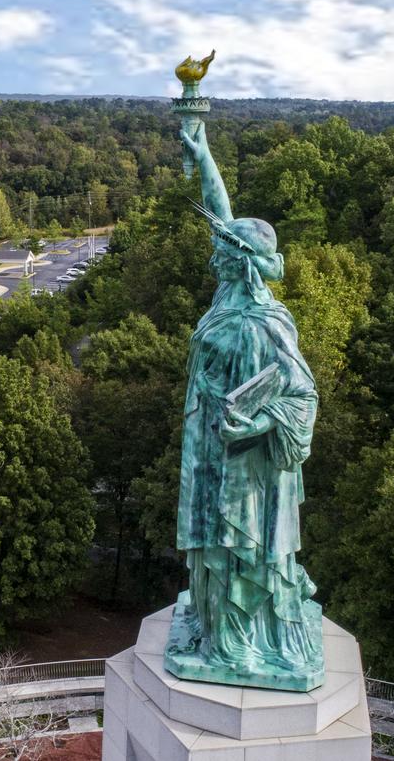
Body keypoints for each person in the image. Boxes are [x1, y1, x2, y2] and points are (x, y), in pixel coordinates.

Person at [166, 122, 324, 688]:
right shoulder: (228, 295)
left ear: (243, 263)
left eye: (222, 250)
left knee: (235, 545)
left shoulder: (264, 320)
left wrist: (254, 425)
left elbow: (302, 396)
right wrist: (204, 153)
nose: (213, 254)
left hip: (245, 463)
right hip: (210, 446)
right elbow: (222, 212)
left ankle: (240, 645)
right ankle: (215, 630)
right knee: (214, 544)